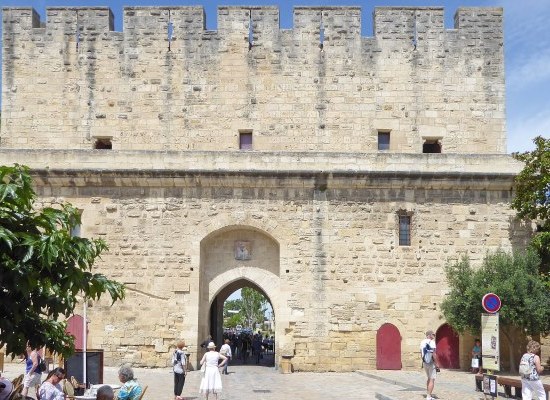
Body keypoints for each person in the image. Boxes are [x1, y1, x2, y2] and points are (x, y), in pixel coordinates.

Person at [420, 330, 440, 400]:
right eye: (433, 334)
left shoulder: (422, 342)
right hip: (431, 363)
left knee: (429, 378)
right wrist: (437, 364)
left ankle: (428, 394)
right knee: (432, 379)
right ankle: (428, 396)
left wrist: (423, 361)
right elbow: (434, 354)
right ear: (429, 335)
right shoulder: (432, 342)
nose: (434, 336)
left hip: (425, 362)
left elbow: (421, 352)